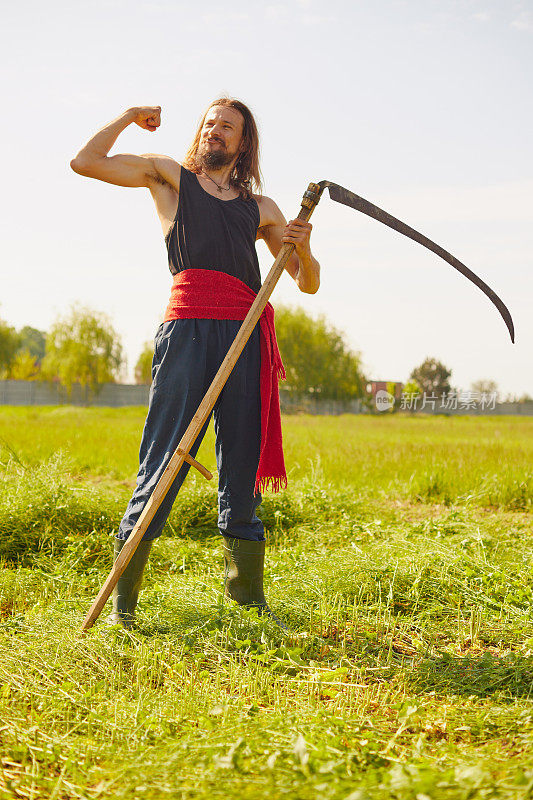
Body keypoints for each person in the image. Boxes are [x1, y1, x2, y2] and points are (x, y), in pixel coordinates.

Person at [70, 99, 320, 628]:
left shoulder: (263, 208)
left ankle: (248, 603)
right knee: (163, 458)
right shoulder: (169, 177)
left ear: (242, 143)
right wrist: (128, 116)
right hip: (187, 331)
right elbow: (85, 162)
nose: (215, 130)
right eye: (209, 122)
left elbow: (305, 280)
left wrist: (306, 249)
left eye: (227, 126)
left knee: (242, 462)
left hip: (245, 333)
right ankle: (124, 609)